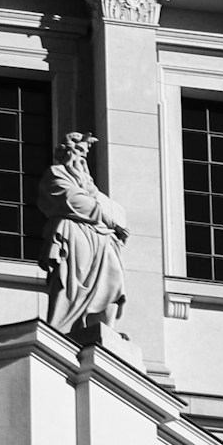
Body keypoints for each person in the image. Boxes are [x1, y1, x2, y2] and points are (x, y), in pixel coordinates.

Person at [39, 132, 128, 339]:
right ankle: (67, 327)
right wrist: (108, 218)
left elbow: (105, 205)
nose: (81, 158)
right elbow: (71, 199)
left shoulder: (89, 185)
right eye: (78, 150)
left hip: (101, 238)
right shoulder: (57, 173)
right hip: (75, 235)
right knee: (71, 284)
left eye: (84, 153)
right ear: (66, 151)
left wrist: (107, 214)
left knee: (113, 280)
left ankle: (104, 326)